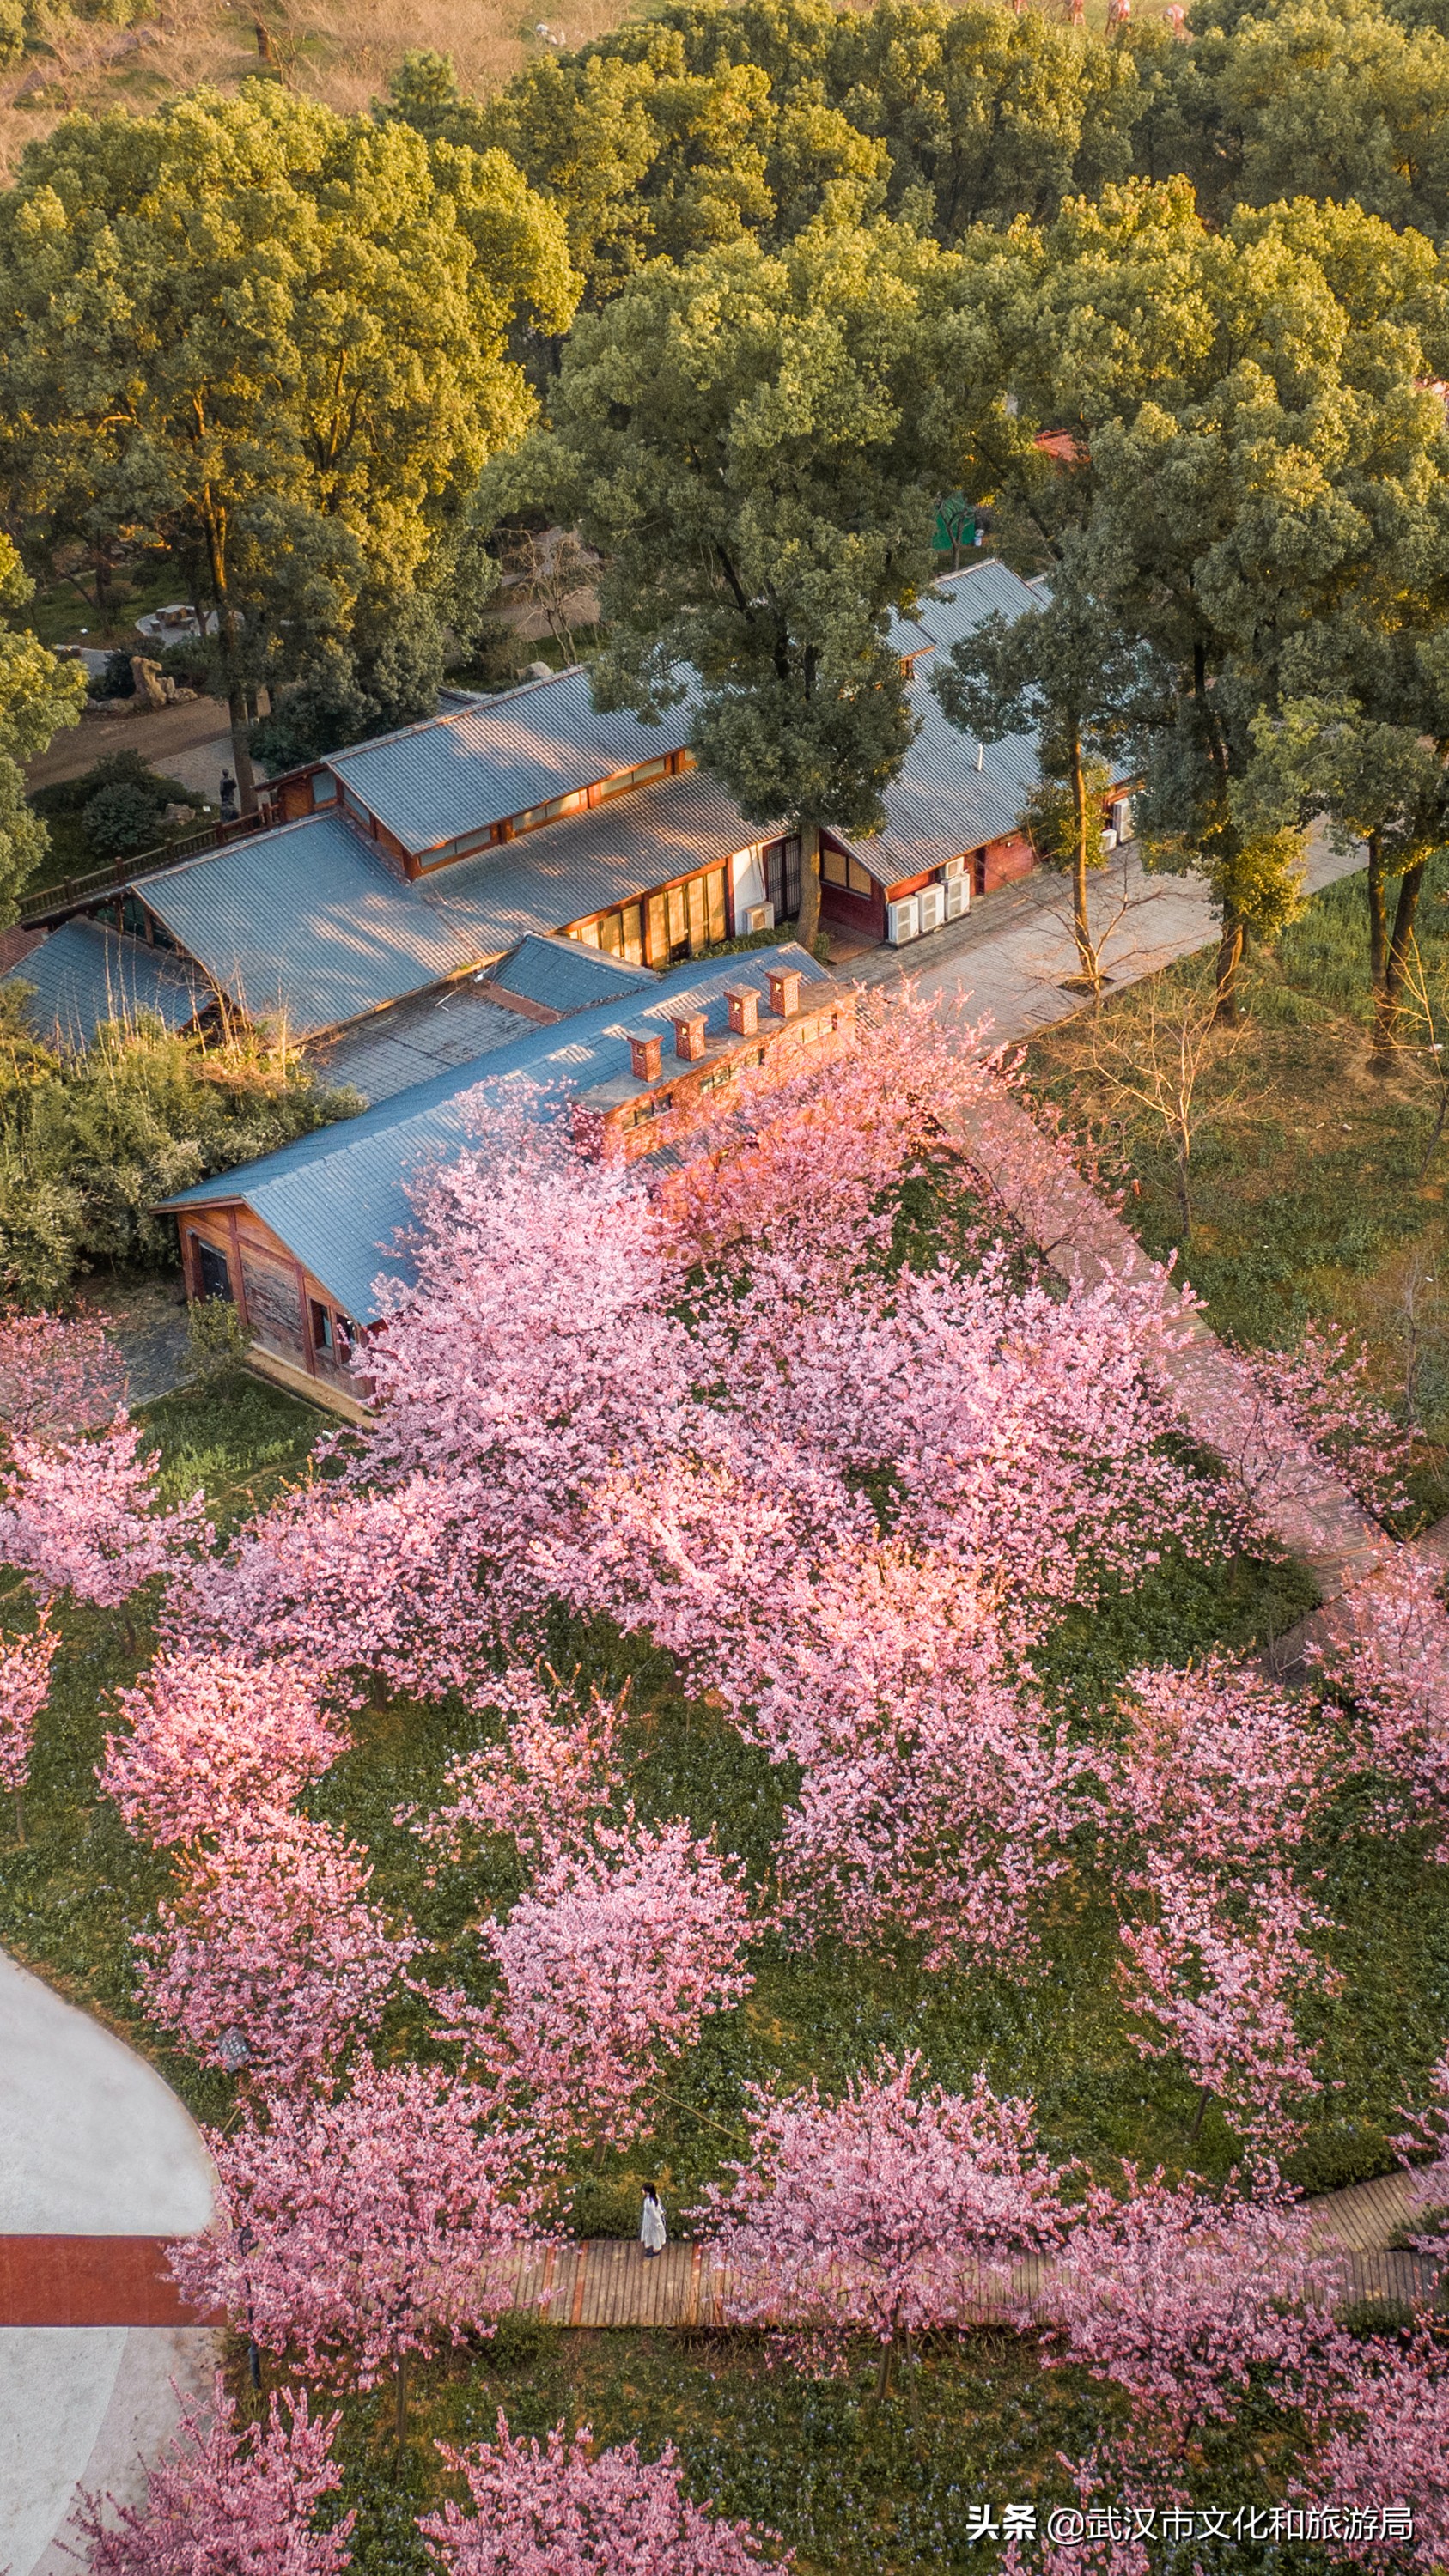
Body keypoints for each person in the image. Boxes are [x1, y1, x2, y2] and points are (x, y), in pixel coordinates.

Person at [640, 2186, 667, 2257]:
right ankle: (652, 2248)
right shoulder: (653, 2197)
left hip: (651, 2220)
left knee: (654, 2234)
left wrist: (657, 2220)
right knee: (652, 2234)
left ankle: (655, 2250)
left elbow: (653, 2212)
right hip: (651, 2218)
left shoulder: (649, 2201)